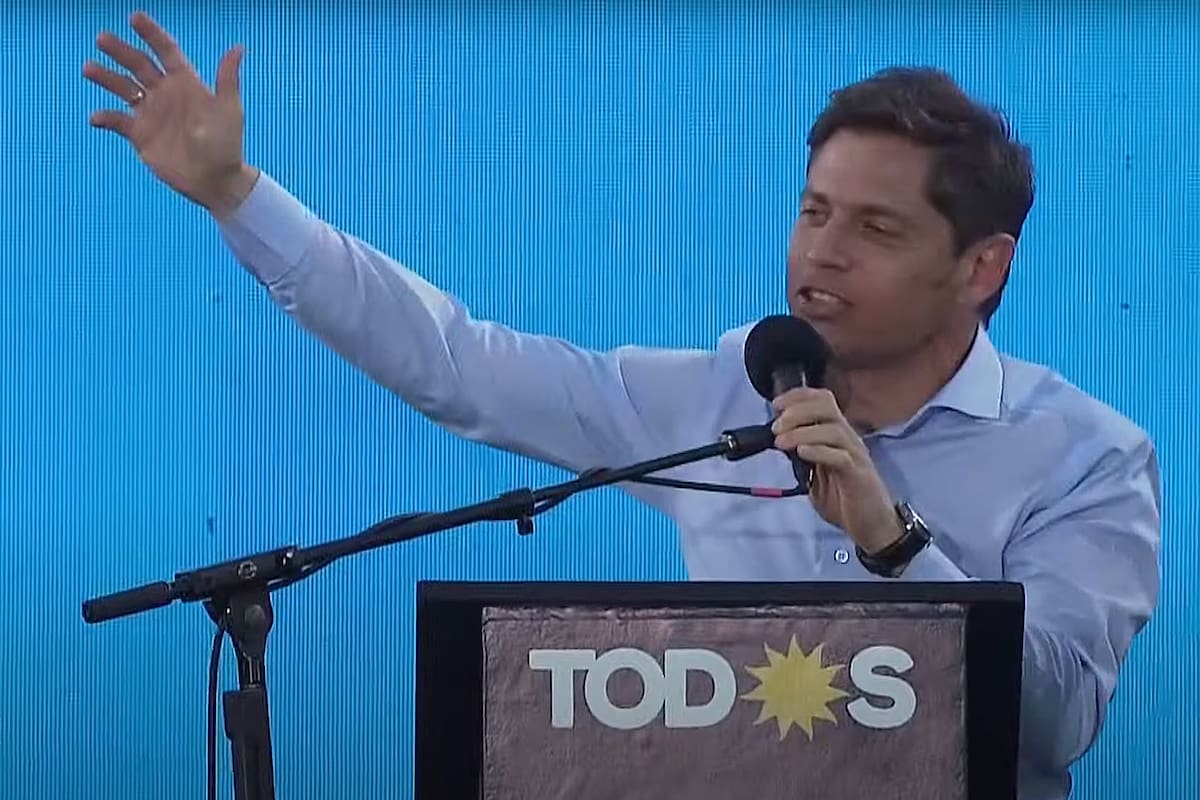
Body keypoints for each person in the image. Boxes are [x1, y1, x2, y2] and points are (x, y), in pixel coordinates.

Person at [83, 11, 1160, 800]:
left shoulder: (1086, 457)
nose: (820, 252)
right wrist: (237, 193)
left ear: (980, 267)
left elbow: (1058, 721)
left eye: (874, 230)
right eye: (814, 210)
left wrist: (894, 543)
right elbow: (457, 362)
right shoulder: (712, 391)